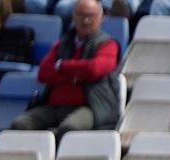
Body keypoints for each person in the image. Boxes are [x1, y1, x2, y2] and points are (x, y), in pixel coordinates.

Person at [8, 0, 119, 135]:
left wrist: (62, 65)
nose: (86, 20)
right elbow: (43, 73)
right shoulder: (62, 43)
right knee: (20, 124)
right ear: (73, 16)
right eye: (81, 15)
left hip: (90, 106)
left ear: (101, 18)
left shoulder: (108, 44)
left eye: (91, 15)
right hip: (54, 106)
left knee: (69, 128)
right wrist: (76, 77)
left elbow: (94, 69)